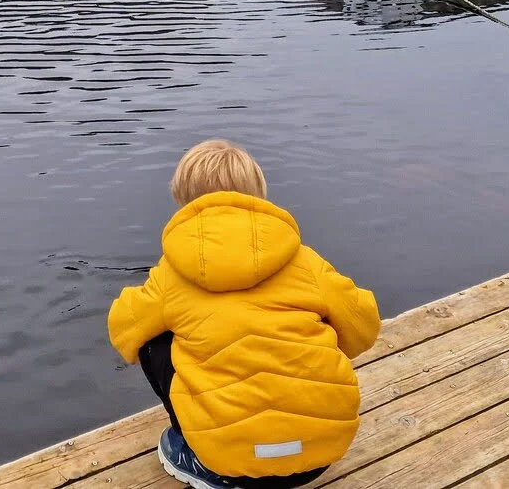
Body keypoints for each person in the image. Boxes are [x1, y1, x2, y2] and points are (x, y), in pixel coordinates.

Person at [107, 140, 380, 489]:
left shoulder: (172, 274)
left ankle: (200, 457)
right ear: (258, 194)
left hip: (226, 458)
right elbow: (365, 328)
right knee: (327, 318)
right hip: (319, 456)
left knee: (150, 337)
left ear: (184, 202)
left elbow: (122, 330)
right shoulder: (304, 260)